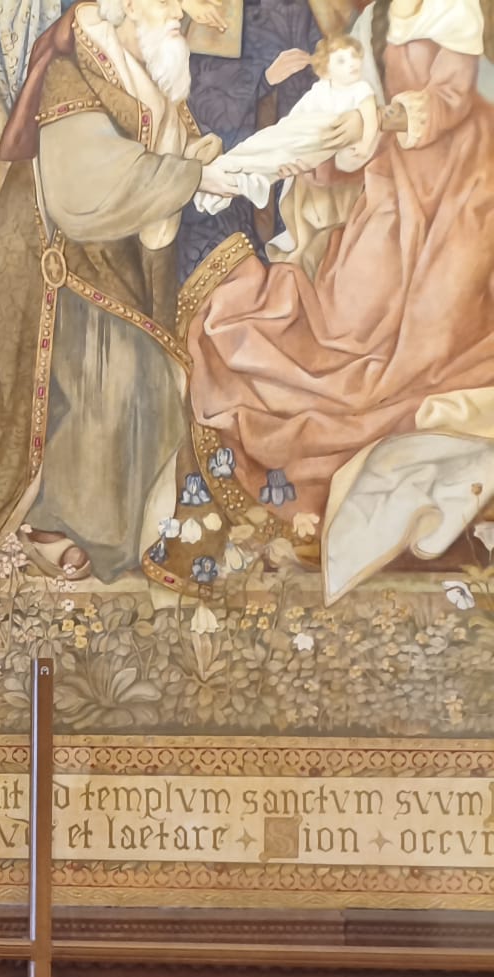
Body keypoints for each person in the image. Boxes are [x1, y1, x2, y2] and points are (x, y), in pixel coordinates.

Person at [189, 0, 494, 600]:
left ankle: (433, 492)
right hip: (393, 181)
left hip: (465, 183)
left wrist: (374, 123)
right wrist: (324, 145)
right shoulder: (372, 20)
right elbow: (346, 110)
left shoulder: (454, 8)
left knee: (431, 334)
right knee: (349, 321)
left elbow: (452, 99)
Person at [0, 0, 241, 582]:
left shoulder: (142, 71)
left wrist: (198, 165)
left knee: (170, 368)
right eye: (167, 2)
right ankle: (58, 518)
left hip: (105, 261)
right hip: (51, 268)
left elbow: (158, 158)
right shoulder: (71, 70)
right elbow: (86, 192)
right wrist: (189, 177)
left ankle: (131, 519)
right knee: (125, 378)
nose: (182, 13)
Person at [197, 35, 380, 209]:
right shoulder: (321, 88)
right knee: (260, 143)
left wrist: (365, 145)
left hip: (316, 141)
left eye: (355, 57)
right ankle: (224, 169)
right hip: (297, 133)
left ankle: (234, 177)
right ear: (326, 70)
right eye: (342, 60)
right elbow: (297, 116)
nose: (352, 64)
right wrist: (283, 133)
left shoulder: (361, 89)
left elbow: (371, 119)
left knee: (275, 163)